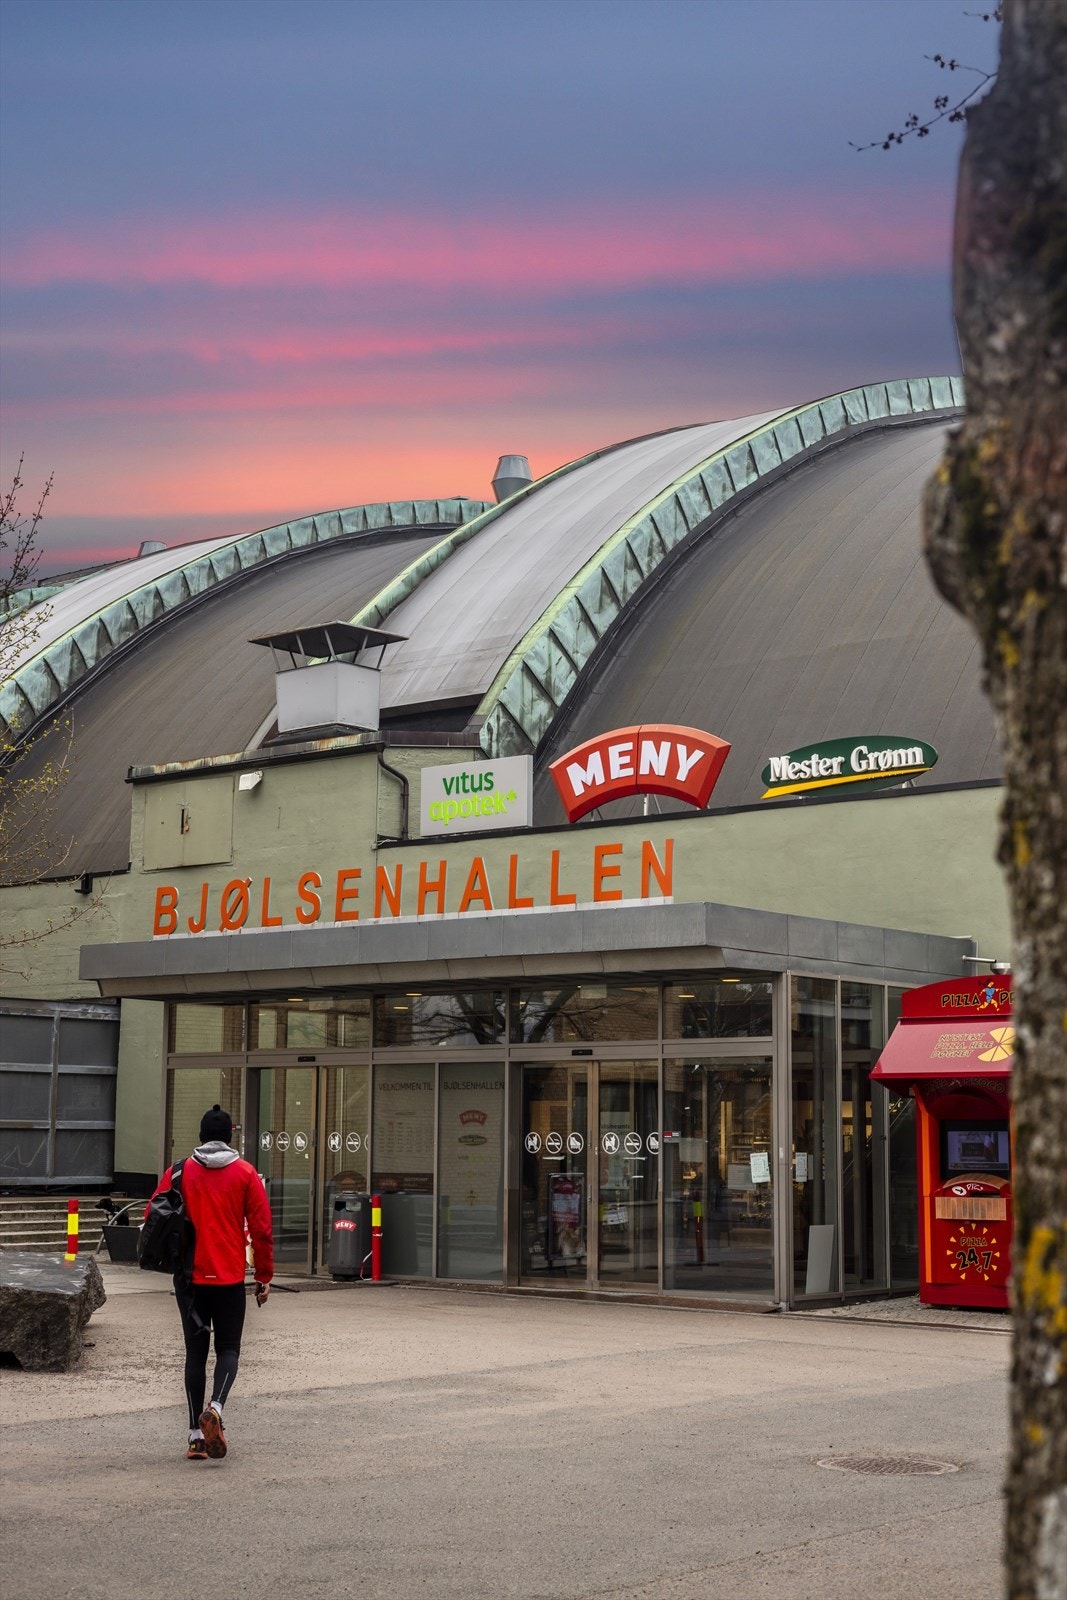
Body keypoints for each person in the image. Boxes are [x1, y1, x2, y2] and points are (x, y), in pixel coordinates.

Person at [146, 1104, 273, 1461]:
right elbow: (262, 1231)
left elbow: (152, 1214)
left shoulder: (178, 1172)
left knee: (195, 1354)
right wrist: (263, 1276)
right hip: (230, 1277)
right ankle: (216, 1408)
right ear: (229, 1137)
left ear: (201, 1136)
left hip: (190, 1279)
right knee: (229, 1349)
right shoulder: (247, 1173)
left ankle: (194, 1437)